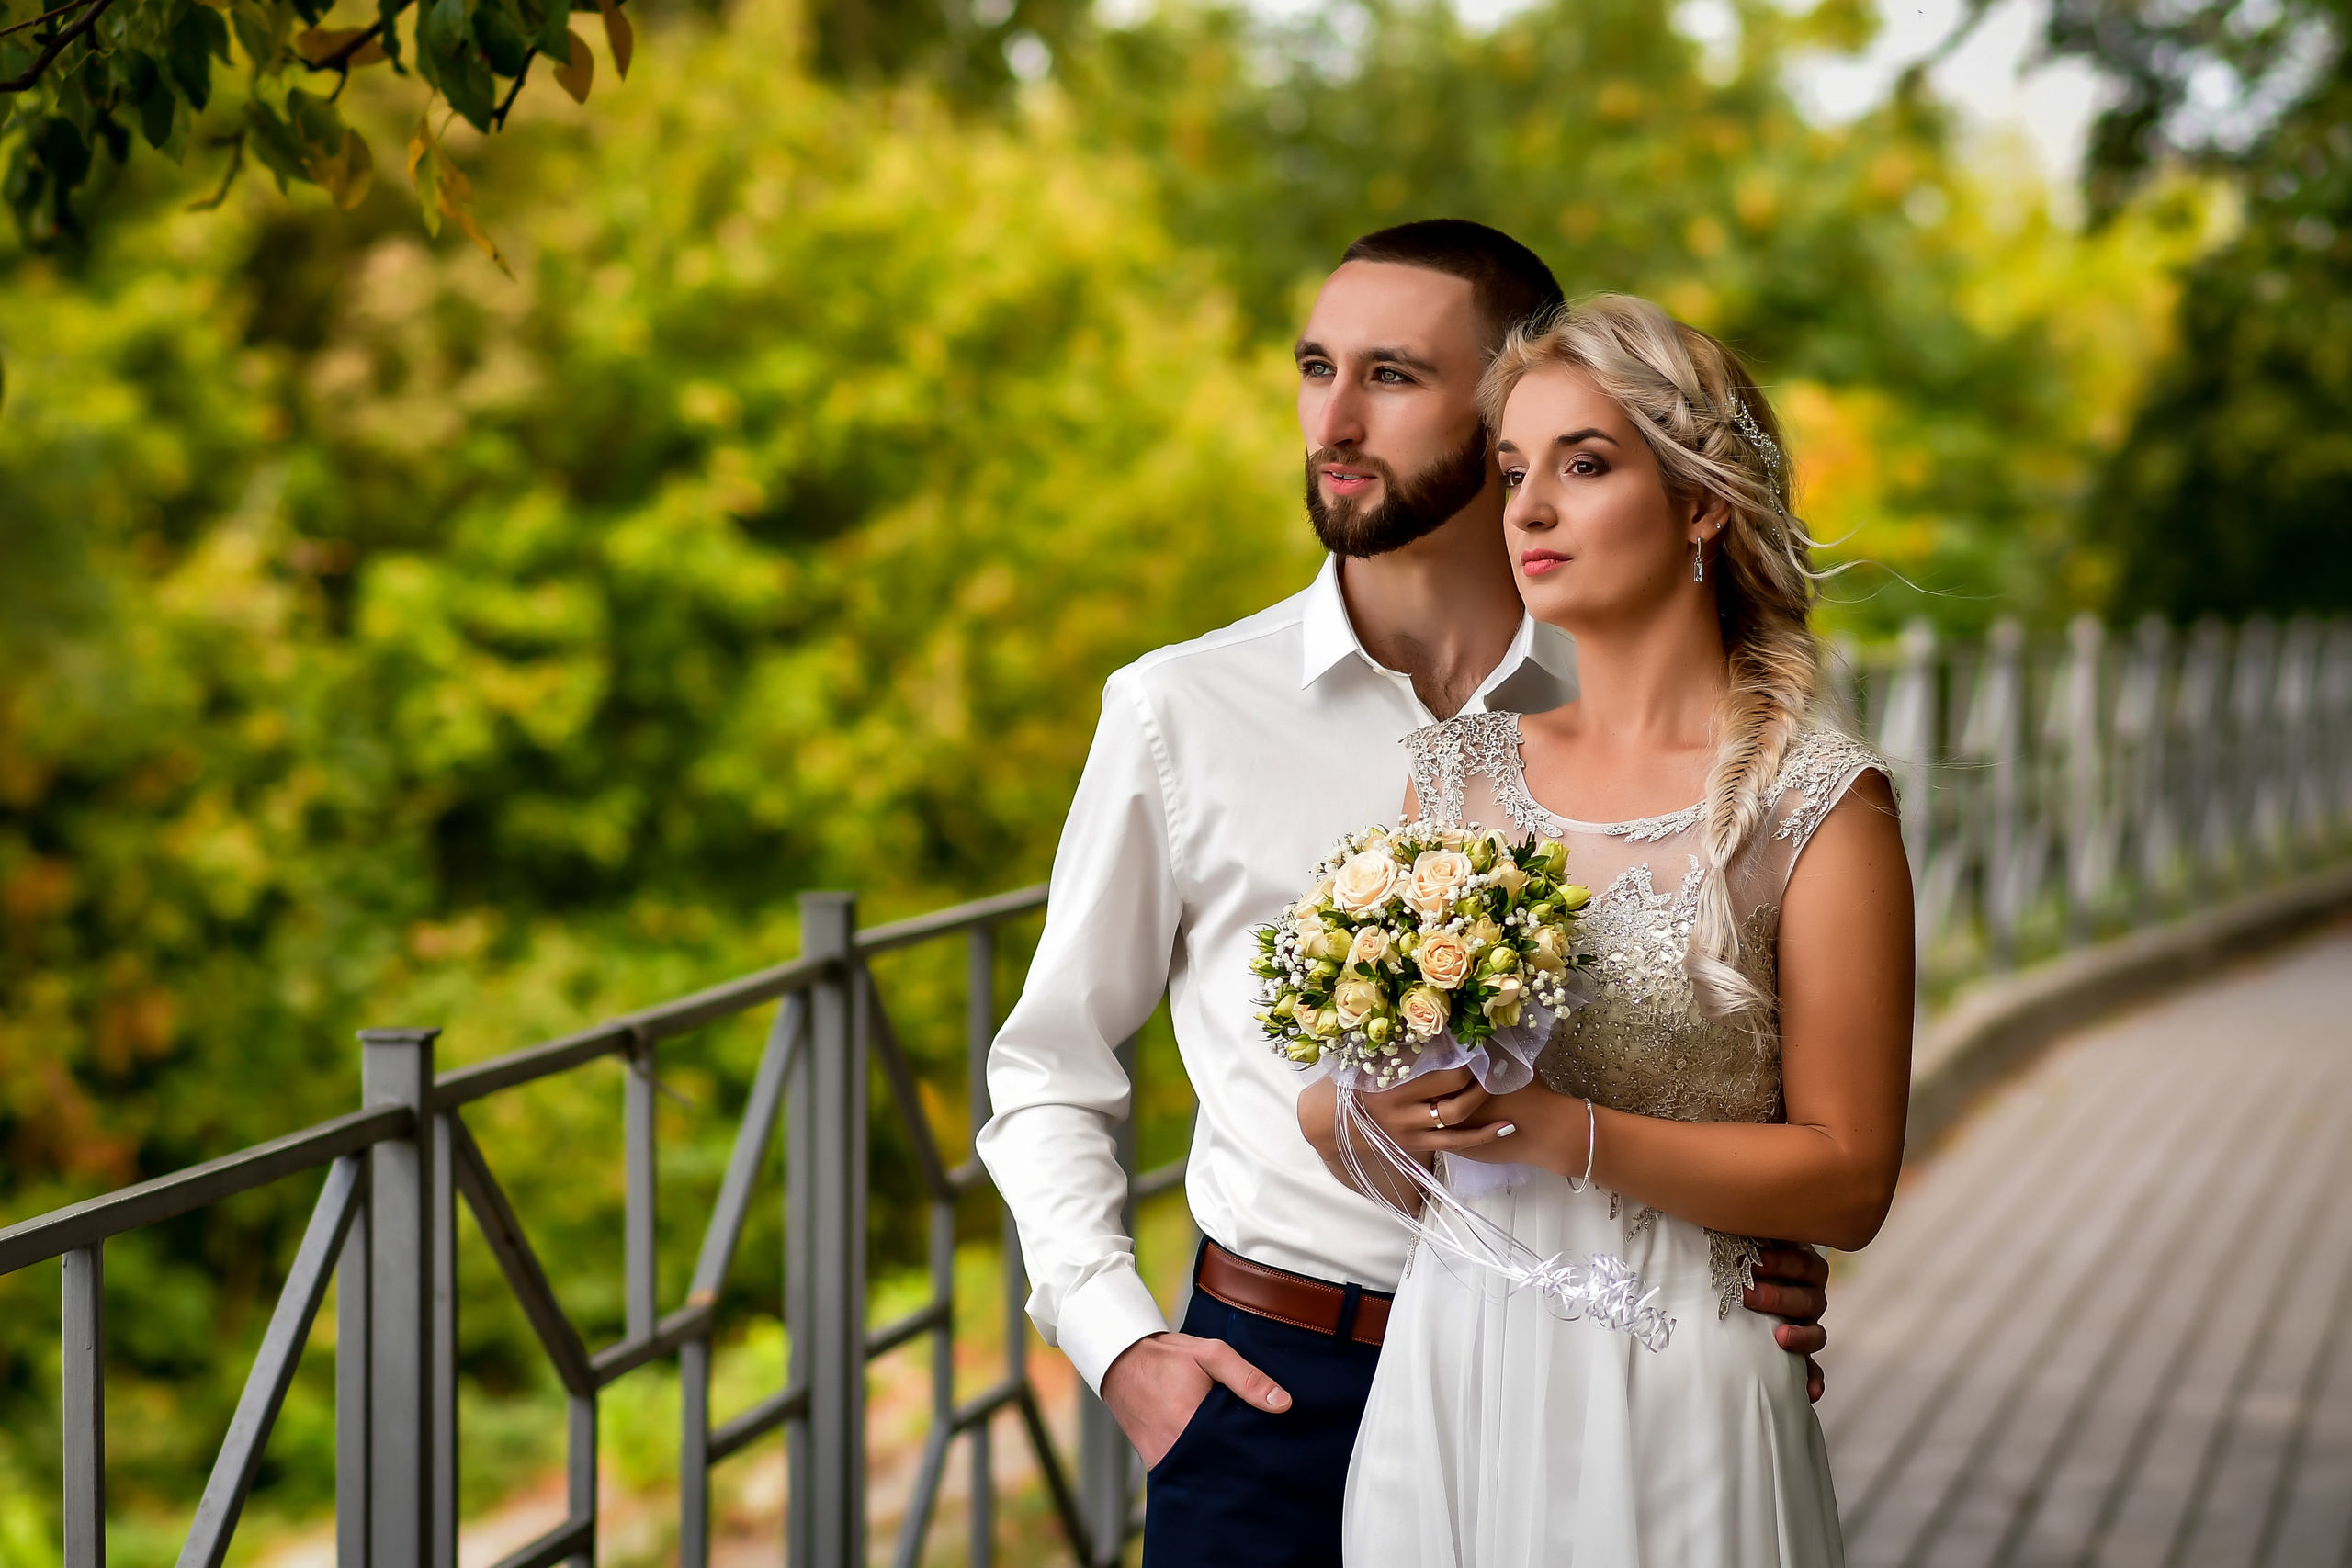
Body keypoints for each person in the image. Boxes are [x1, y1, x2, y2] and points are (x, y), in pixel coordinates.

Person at [977, 223, 1833, 1568]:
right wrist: (1125, 1348)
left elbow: (1735, 1047)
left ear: (1513, 402)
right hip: (1271, 1397)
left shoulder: (1644, 705)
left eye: (1391, 375)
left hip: (1592, 1391)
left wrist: (1735, 1259)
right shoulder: (1181, 710)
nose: (1335, 417)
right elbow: (1048, 1069)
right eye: (1317, 367)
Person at [1306, 294, 1914, 1566]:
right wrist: (1353, 1116)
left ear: (1701, 502)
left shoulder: (1817, 805)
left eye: (1584, 466)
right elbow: (1361, 1122)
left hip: (1675, 1386)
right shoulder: (1454, 776)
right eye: (1515, 471)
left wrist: (1565, 1132)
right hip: (1452, 1366)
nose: (1526, 509)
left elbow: (1851, 1179)